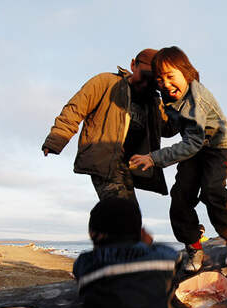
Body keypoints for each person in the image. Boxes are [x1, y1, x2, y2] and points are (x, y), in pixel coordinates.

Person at [129, 46, 227, 272]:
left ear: (187, 72)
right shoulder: (169, 93)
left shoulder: (196, 102)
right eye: (160, 80)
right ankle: (194, 245)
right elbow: (173, 126)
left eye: (171, 77)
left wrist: (153, 158)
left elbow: (190, 143)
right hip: (195, 148)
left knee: (212, 190)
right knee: (181, 195)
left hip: (217, 149)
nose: (165, 84)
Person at [42, 49, 177, 208]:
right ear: (133, 64)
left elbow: (167, 129)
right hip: (104, 161)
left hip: (130, 168)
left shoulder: (154, 101)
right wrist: (56, 140)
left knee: (129, 217)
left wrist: (171, 99)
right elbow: (75, 109)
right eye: (144, 76)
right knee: (122, 212)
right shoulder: (107, 82)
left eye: (153, 81)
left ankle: (110, 231)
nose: (146, 83)